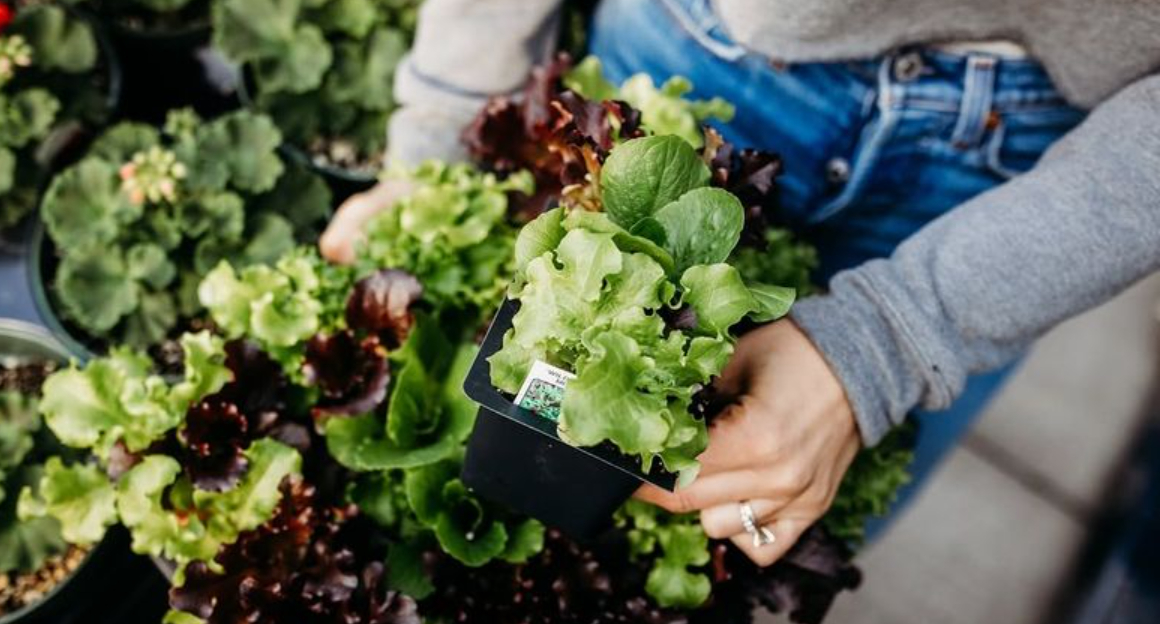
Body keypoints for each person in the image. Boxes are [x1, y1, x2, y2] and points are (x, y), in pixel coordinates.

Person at [320, 0, 1160, 567]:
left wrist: (896, 338)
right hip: (699, 43)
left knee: (751, 535)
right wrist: (451, 122)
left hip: (1027, 175)